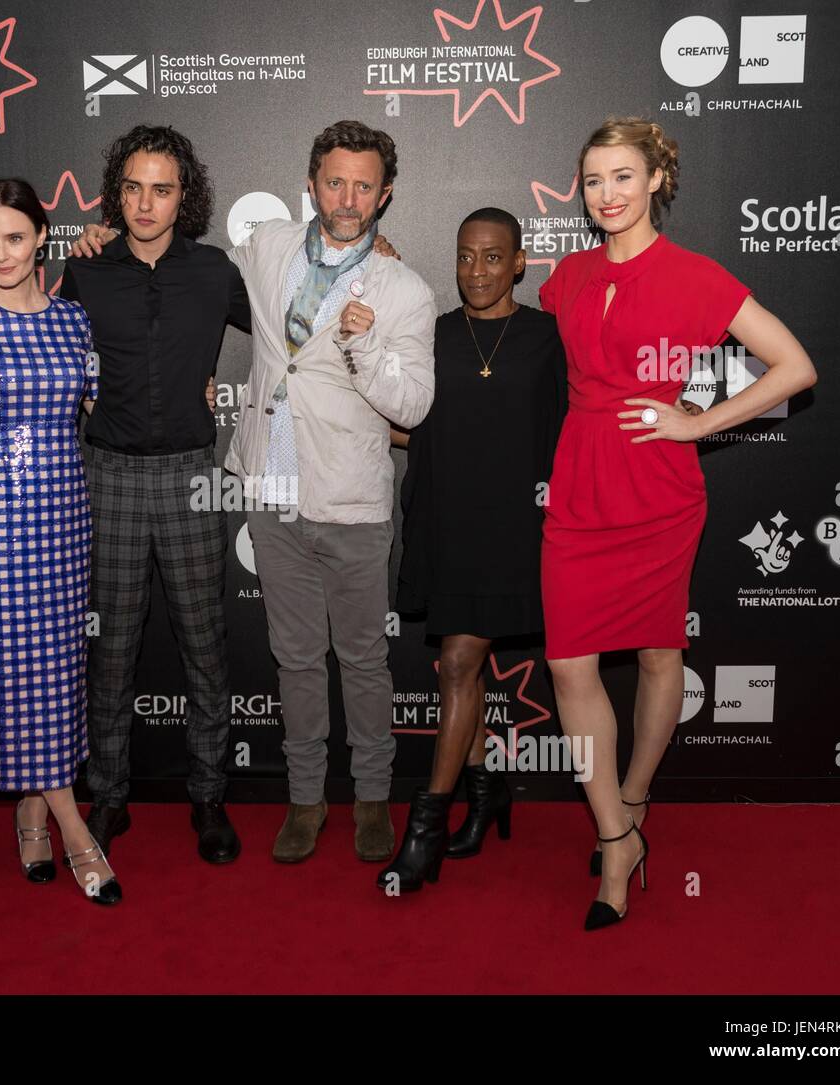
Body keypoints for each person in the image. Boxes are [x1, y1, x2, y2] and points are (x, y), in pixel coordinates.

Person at [540, 117, 816, 929]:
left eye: (623, 177)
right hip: (580, 483)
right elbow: (523, 322)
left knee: (662, 654)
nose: (607, 195)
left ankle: (630, 801)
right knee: (567, 665)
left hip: (659, 490)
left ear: (658, 179)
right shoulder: (569, 274)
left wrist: (698, 423)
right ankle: (617, 836)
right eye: (593, 181)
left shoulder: (697, 277)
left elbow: (795, 366)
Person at [224, 120, 436, 864]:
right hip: (273, 490)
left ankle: (372, 797)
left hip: (351, 497)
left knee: (363, 660)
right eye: (335, 182)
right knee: (295, 658)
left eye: (364, 185)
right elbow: (176, 266)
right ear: (311, 183)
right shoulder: (267, 246)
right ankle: (306, 799)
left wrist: (365, 342)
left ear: (386, 194)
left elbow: (411, 407)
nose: (348, 199)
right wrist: (98, 237)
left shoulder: (402, 287)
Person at [0, 179, 120, 906]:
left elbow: (102, 403)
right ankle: (75, 829)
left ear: (42, 237)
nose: (0, 253)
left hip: (64, 514)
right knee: (10, 668)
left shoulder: (74, 320)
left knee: (57, 670)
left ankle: (30, 811)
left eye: (14, 237)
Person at [60, 126, 250, 863]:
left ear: (184, 196)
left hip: (192, 473)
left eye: (162, 188)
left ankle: (209, 795)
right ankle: (108, 795)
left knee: (205, 645)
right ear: (117, 192)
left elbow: (295, 312)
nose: (146, 202)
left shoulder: (213, 271)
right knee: (109, 653)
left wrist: (372, 257)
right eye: (133, 187)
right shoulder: (86, 269)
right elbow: (48, 353)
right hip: (104, 473)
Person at [381, 207, 566, 891]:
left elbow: (571, 429)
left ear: (519, 262)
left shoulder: (549, 338)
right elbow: (408, 424)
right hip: (449, 519)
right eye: (465, 256)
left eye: (493, 257)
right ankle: (488, 790)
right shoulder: (430, 336)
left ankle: (425, 826)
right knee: (462, 667)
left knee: (458, 659)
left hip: (518, 525)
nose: (477, 271)